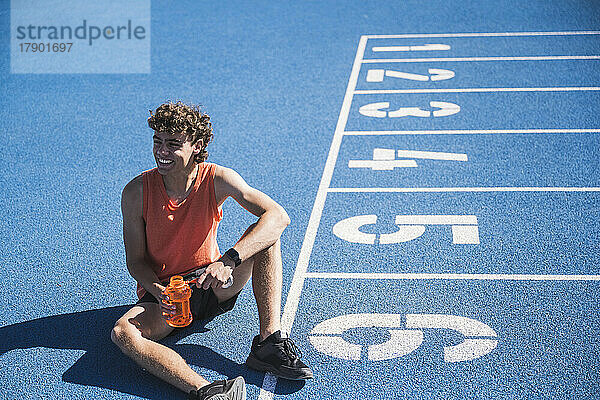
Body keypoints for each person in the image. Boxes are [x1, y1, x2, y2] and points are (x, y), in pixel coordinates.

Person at [111, 101, 312, 400]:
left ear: (197, 145)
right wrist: (160, 290)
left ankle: (269, 343)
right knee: (122, 333)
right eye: (158, 141)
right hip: (167, 296)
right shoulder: (136, 192)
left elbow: (278, 216)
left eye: (174, 144)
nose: (162, 151)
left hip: (212, 283)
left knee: (267, 236)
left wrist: (228, 260)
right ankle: (211, 391)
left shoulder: (217, 178)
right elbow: (136, 261)